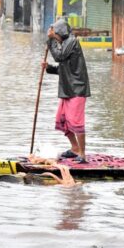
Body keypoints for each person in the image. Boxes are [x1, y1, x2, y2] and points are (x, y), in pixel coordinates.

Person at [42, 19, 91, 163]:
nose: (55, 37)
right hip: (67, 90)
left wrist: (50, 41)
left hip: (77, 89)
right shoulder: (65, 44)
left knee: (76, 122)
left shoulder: (71, 41)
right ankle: (74, 147)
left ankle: (82, 154)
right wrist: (49, 68)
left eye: (56, 35)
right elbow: (64, 68)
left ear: (61, 33)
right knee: (62, 120)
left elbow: (59, 56)